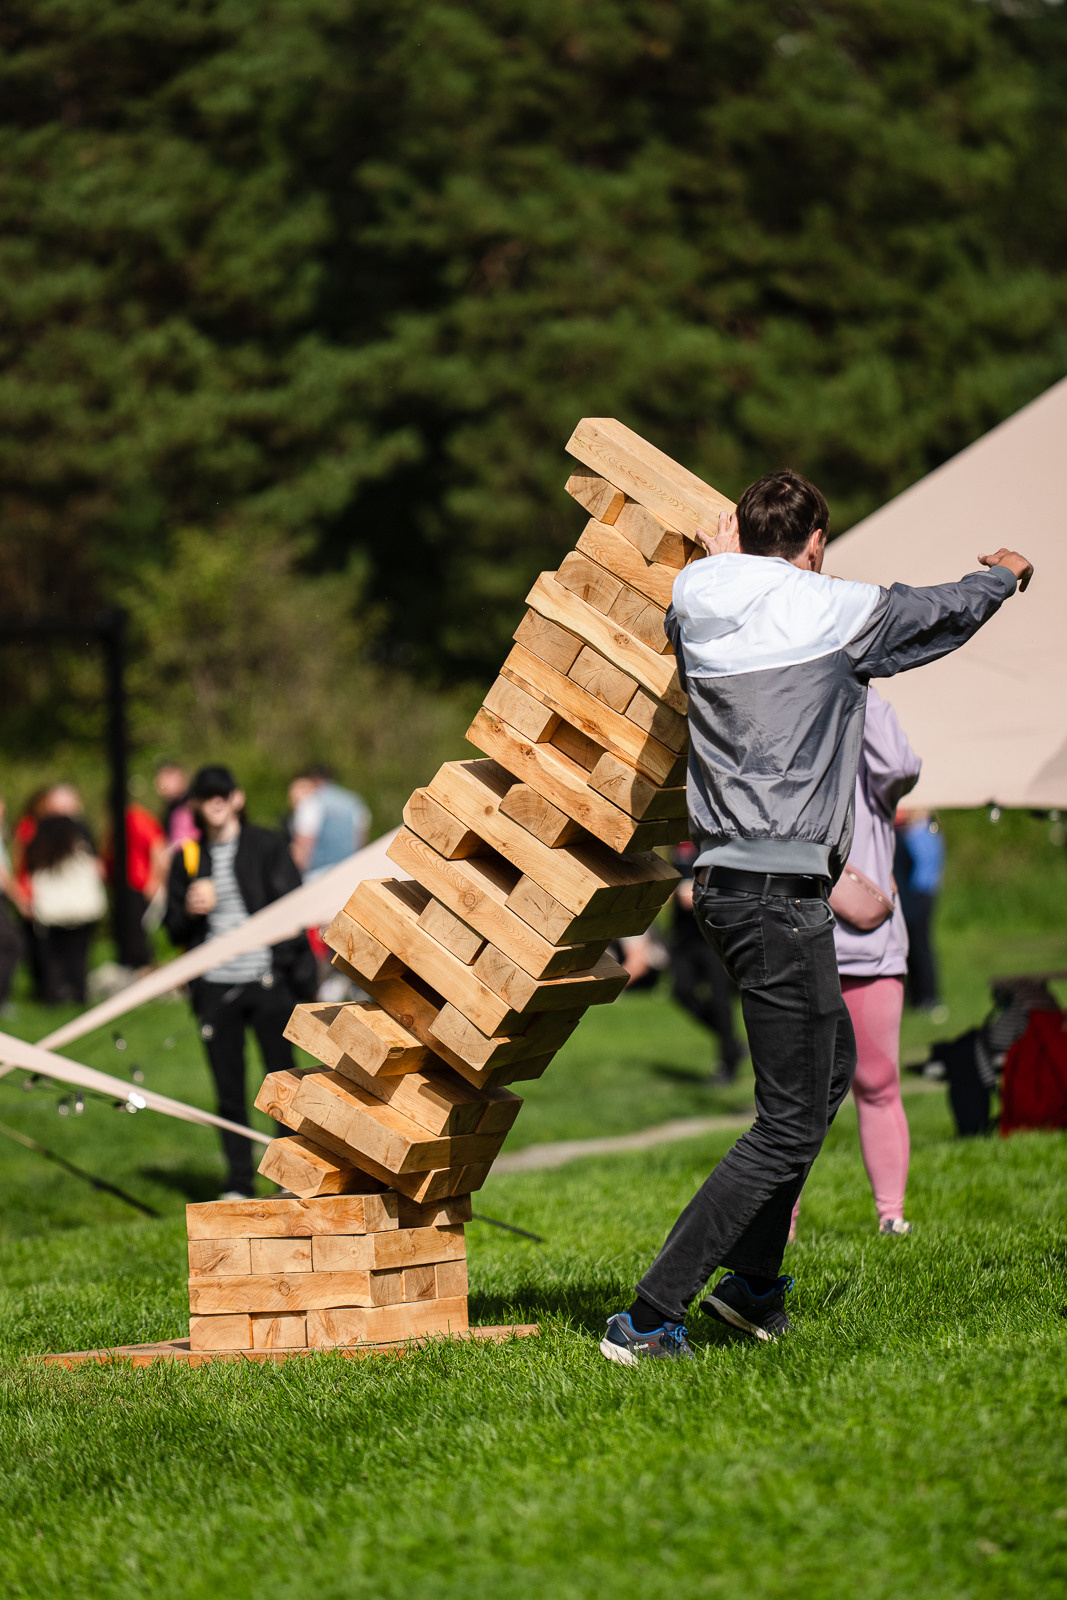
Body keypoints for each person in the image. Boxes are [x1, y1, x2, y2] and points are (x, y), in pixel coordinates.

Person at [600, 469, 1033, 1364]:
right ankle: (649, 1317)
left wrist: (722, 557)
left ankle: (753, 1288)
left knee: (826, 1068)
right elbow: (931, 614)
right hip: (774, 895)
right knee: (789, 1118)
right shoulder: (828, 610)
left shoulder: (697, 604)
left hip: (725, 882)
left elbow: (728, 584)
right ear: (814, 545)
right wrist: (1003, 576)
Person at [789, 687, 921, 1241]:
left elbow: (901, 764)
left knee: (878, 1080)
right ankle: (782, 1223)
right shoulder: (787, 727)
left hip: (868, 946)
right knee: (791, 1096)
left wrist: (855, 690)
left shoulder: (867, 733)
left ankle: (891, 1216)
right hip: (798, 938)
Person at [163, 764, 315, 1199]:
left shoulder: (266, 845)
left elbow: (293, 906)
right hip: (215, 988)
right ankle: (238, 1182)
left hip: (267, 984)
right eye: (206, 794)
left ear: (237, 798)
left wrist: (287, 970)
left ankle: (290, 1177)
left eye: (222, 793)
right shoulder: (188, 858)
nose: (215, 800)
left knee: (283, 1083)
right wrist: (189, 911)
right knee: (228, 1088)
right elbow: (172, 930)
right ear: (194, 804)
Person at [668, 840, 745, 1085]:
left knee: (720, 998)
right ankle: (731, 1043)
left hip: (713, 933)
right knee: (681, 991)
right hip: (684, 934)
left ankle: (728, 1064)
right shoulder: (676, 841)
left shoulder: (716, 839)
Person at [24, 813, 107, 1004]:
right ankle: (79, 993)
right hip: (80, 913)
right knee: (78, 956)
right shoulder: (79, 851)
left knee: (54, 958)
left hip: (52, 915)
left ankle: (52, 995)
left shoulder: (40, 853)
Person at [894, 810, 946, 1015]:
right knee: (914, 946)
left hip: (919, 893)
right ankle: (917, 996)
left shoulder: (922, 831)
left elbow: (916, 863)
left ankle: (927, 996)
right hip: (919, 892)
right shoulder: (924, 830)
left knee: (920, 946)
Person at [288, 765, 370, 880]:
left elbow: (303, 850)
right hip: (350, 872)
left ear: (312, 780)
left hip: (318, 876)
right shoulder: (354, 801)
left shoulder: (311, 802)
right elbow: (360, 841)